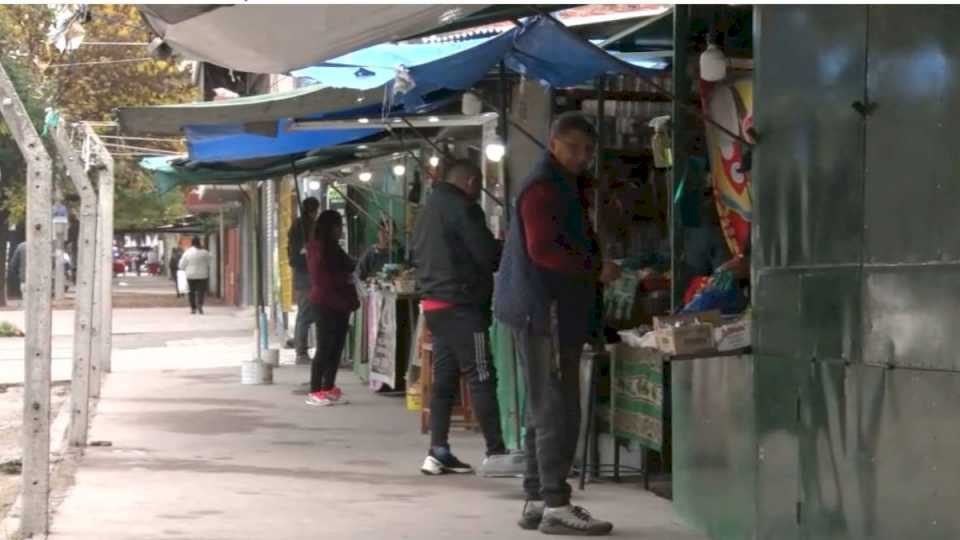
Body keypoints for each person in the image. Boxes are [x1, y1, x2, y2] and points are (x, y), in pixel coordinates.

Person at [494, 112, 621, 535]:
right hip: (544, 311)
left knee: (544, 407)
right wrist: (595, 268)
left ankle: (536, 498)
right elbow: (544, 251)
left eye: (587, 150)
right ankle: (555, 503)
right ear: (554, 144)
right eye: (573, 148)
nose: (581, 157)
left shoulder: (563, 185)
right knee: (556, 409)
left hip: (541, 310)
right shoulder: (544, 189)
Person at [411, 159, 510, 476]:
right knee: (481, 376)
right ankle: (496, 452)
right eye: (478, 185)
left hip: (435, 307)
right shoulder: (463, 208)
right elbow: (485, 253)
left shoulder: (429, 209)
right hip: (462, 305)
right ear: (469, 181)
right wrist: (506, 248)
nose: (478, 192)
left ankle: (438, 451)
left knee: (445, 381)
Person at [304, 210, 359, 407]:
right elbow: (322, 281)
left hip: (341, 304)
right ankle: (314, 390)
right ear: (330, 227)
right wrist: (342, 300)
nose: (341, 230)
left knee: (336, 349)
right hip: (325, 303)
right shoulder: (317, 249)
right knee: (324, 348)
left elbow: (349, 266)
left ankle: (329, 388)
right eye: (339, 226)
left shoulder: (334, 247)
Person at [288, 197, 321, 364]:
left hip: (308, 277)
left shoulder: (303, 226)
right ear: (313, 210)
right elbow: (294, 258)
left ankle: (303, 351)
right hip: (305, 277)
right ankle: (301, 352)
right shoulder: (302, 228)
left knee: (307, 314)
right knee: (305, 314)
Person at [179, 237, 211, 315]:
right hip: (203, 275)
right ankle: (200, 305)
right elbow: (209, 263)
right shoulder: (205, 252)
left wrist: (184, 268)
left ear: (192, 243)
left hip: (190, 275)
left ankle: (193, 308)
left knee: (191, 292)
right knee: (201, 292)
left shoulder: (187, 252)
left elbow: (181, 265)